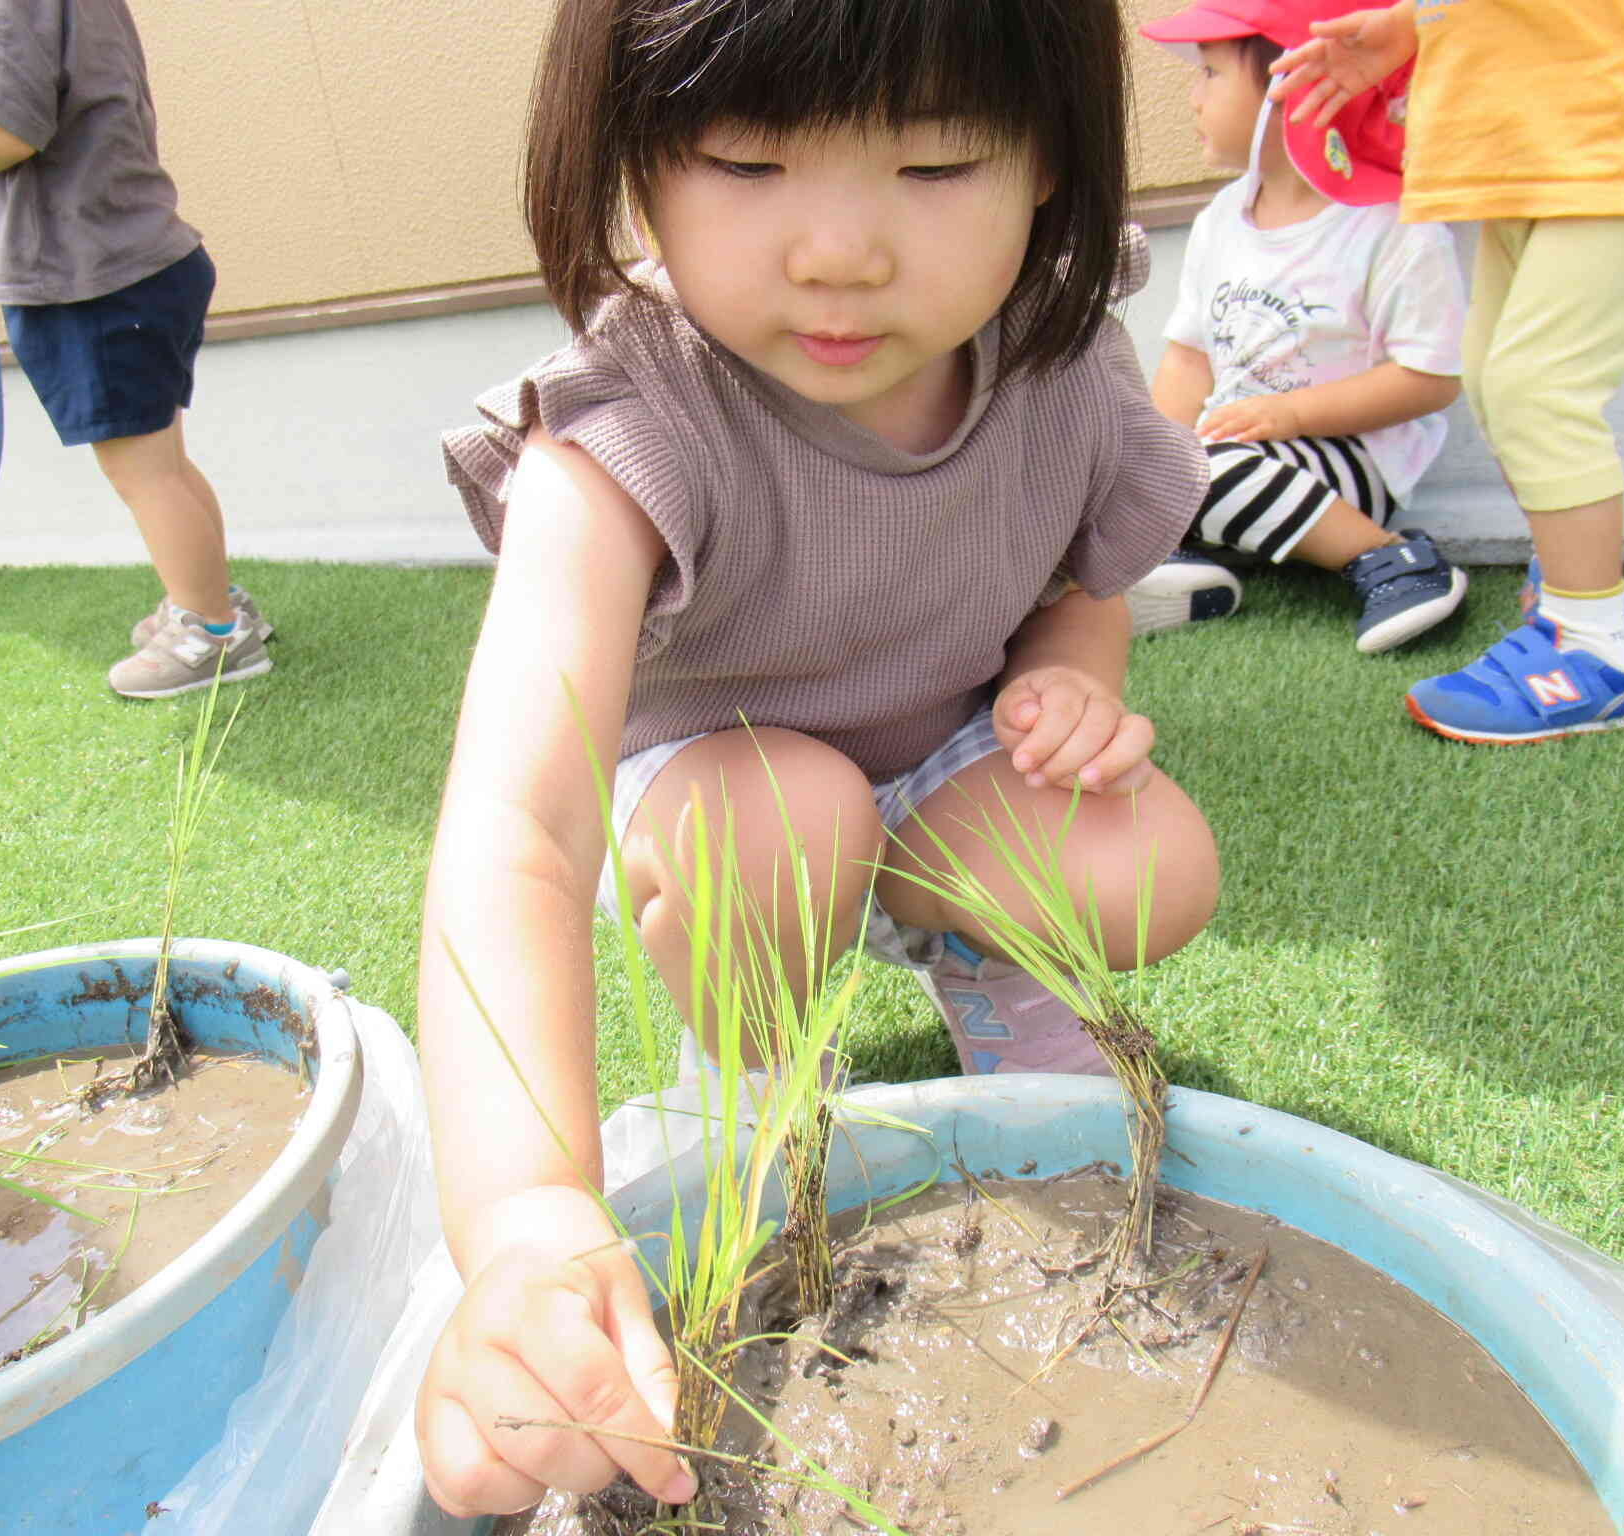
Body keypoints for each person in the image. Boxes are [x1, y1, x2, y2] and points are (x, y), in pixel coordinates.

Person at [412, 0, 1221, 1516]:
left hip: (940, 769)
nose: (840, 251)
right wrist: (525, 1215)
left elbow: (1081, 586)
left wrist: (1063, 688)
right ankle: (758, 1044)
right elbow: (517, 829)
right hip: (724, 800)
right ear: (633, 158)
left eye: (936, 166)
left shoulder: (1061, 360)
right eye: (746, 160)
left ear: (1049, 160)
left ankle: (982, 956)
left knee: (1150, 861)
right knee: (782, 820)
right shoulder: (622, 425)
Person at [1272, 0, 1624, 741]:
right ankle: (1574, 578)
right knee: (1498, 375)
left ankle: (1596, 646)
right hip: (1543, 142)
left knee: (1537, 389)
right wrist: (1416, 22)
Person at [0, 0, 271, 700]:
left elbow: (0, 132)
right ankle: (215, 604)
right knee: (164, 463)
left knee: (147, 474)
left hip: (90, 282)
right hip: (132, 263)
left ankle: (214, 633)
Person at [1128, 0, 1468, 655]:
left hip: (1345, 457)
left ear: (1295, 85)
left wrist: (1289, 414)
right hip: (1231, 452)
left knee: (1200, 471)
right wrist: (1153, 462)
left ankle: (1393, 560)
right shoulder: (1221, 219)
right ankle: (1167, 563)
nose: (1193, 95)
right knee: (1125, 457)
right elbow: (1188, 360)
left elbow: (1429, 379)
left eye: (1209, 74)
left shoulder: (1391, 226)